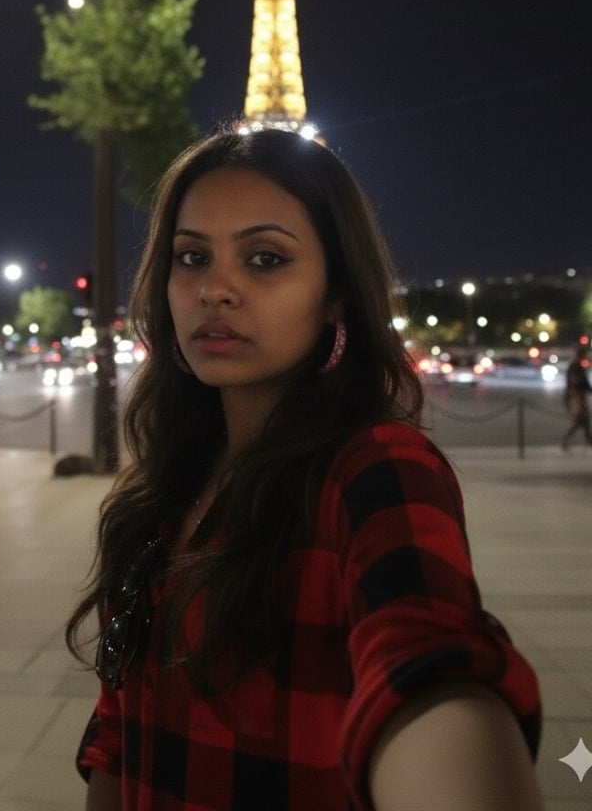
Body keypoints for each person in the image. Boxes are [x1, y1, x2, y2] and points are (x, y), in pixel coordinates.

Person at [68, 128, 543, 810]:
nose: (215, 289)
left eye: (265, 258)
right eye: (192, 257)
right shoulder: (166, 488)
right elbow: (118, 735)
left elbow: (427, 658)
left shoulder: (376, 469)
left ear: (336, 293)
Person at [561, 345, 592, 449]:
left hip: (577, 396)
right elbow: (578, 382)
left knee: (583, 419)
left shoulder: (576, 366)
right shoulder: (575, 367)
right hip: (576, 396)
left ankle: (588, 439)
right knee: (581, 419)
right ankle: (567, 439)